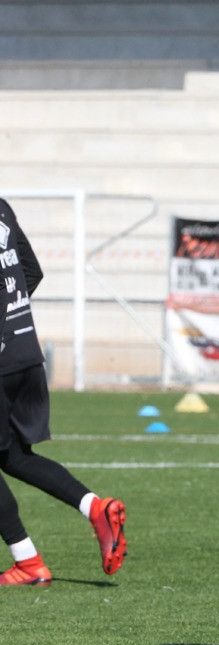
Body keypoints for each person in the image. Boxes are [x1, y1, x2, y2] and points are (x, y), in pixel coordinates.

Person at [0, 199, 127, 586]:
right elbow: (32, 271)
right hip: (25, 351)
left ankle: (29, 561)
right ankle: (95, 507)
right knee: (14, 457)